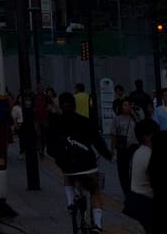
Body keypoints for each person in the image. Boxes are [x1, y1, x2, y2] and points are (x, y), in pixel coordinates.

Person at [50, 92, 112, 231]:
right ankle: (97, 225)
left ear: (61, 105)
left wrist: (58, 158)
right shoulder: (85, 121)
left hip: (68, 166)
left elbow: (51, 147)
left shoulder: (56, 123)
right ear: (75, 105)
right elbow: (97, 141)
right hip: (87, 164)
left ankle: (71, 201)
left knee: (67, 175)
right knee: (95, 190)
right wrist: (107, 155)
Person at [128, 121, 157, 225]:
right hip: (147, 202)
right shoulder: (150, 155)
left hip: (135, 200)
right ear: (147, 136)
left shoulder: (138, 151)